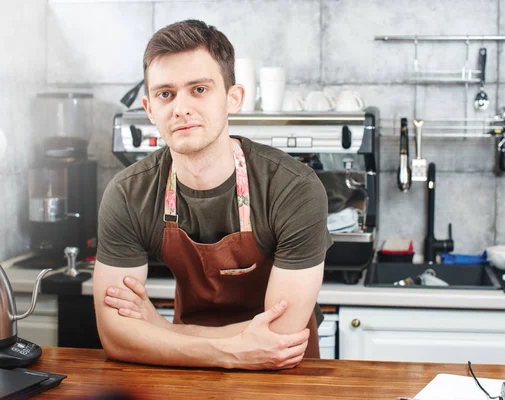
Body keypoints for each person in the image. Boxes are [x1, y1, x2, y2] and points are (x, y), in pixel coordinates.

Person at [92, 19, 332, 370]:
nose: (181, 108)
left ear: (233, 98)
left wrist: (158, 331)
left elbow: (279, 336)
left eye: (199, 90)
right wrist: (231, 352)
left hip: (282, 372)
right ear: (149, 109)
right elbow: (115, 335)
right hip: (182, 373)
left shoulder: (293, 188)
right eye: (165, 94)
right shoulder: (129, 193)